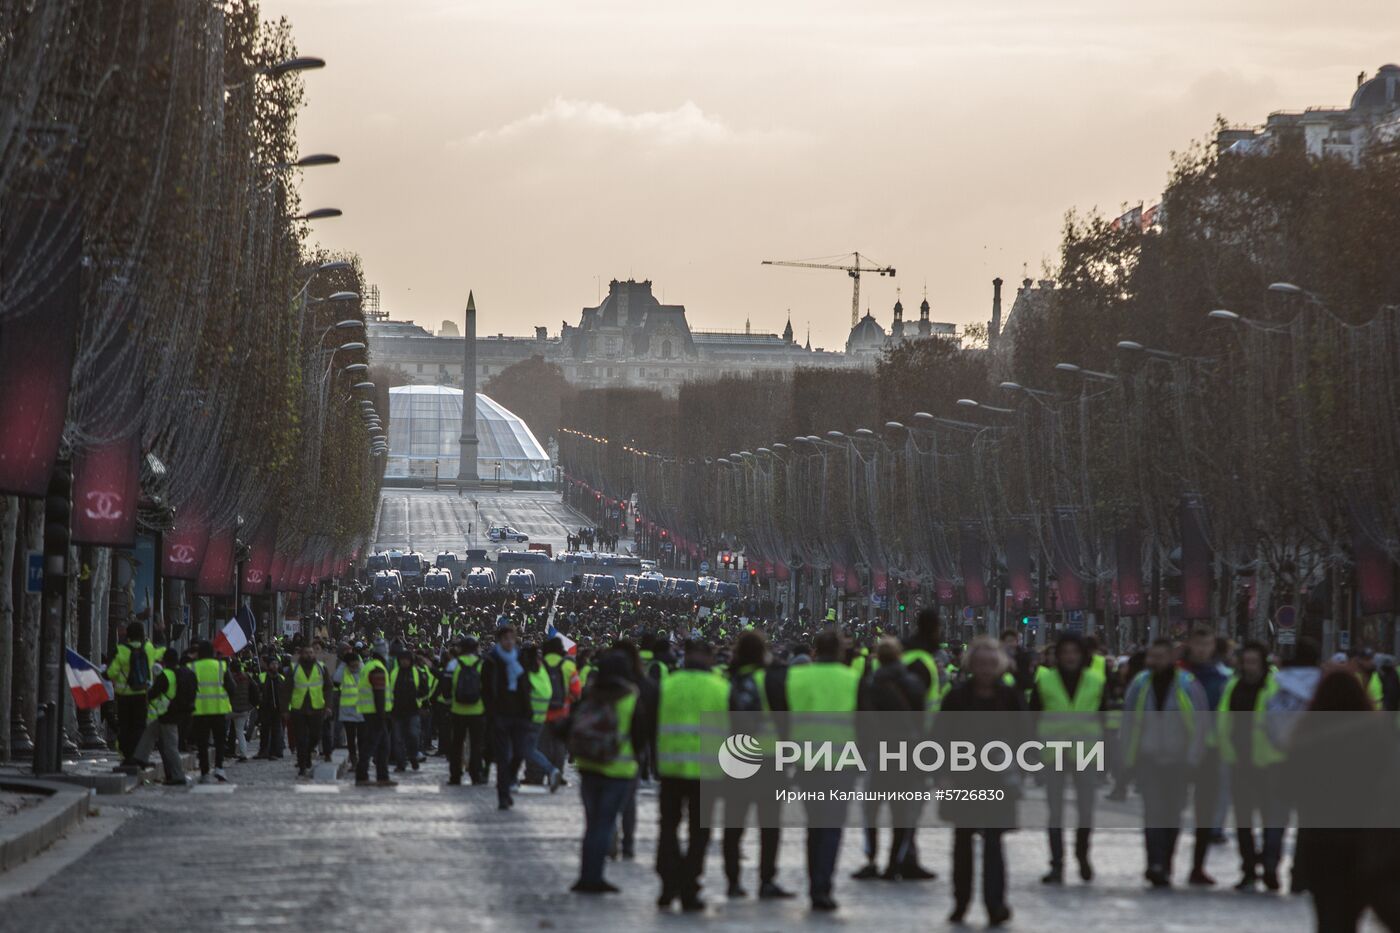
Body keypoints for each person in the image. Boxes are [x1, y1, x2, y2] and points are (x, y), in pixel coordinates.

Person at [1287, 669, 1400, 932]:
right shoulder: (1378, 732)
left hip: (1320, 843)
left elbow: (1289, 786)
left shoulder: (1307, 732)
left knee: (1330, 919)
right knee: (1358, 910)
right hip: (1365, 842)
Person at [935, 636, 1022, 927]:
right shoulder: (957, 697)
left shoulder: (1010, 698)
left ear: (999, 666)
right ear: (971, 664)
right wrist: (943, 775)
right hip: (963, 779)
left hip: (998, 780)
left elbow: (1025, 736)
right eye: (980, 663)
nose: (985, 669)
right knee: (962, 841)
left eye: (990, 663)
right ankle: (961, 902)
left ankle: (995, 903)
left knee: (995, 843)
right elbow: (940, 739)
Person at [781, 627, 861, 912]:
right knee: (831, 827)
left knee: (814, 825)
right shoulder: (852, 679)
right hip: (842, 764)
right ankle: (822, 885)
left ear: (814, 651)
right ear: (840, 651)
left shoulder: (797, 677)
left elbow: (784, 716)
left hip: (807, 763)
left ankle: (815, 880)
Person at [1120, 637, 1208, 887]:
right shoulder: (1140, 684)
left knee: (1173, 814)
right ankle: (1155, 863)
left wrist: (1193, 758)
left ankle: (1166, 862)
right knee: (1153, 813)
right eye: (1151, 657)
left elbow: (1201, 724)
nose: (1153, 661)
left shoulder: (1187, 684)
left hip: (1178, 761)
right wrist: (1127, 758)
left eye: (1159, 657)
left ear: (1171, 657)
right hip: (1148, 759)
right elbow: (1128, 723)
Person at [653, 639, 730, 912]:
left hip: (671, 768)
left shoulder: (668, 684)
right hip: (706, 771)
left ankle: (667, 882)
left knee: (668, 826)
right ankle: (689, 886)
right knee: (699, 833)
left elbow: (652, 721)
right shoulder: (720, 688)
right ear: (709, 658)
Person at [571, 650, 650, 894]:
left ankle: (586, 874)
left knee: (592, 823)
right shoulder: (630, 697)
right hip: (618, 769)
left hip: (589, 766)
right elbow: (639, 735)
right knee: (605, 824)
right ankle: (595, 877)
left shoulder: (591, 694)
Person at [1029, 632, 1106, 884]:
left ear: (1082, 655)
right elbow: (1033, 717)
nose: (1070, 657)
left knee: (1086, 809)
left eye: (1074, 652)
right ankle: (1057, 863)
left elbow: (1105, 719)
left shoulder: (1096, 680)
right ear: (1057, 656)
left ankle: (1083, 856)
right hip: (1054, 752)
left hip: (1086, 752)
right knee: (1055, 811)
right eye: (1065, 652)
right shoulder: (1045, 680)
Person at [722, 630, 793, 899]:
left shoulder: (729, 679)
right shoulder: (769, 680)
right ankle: (766, 880)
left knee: (734, 825)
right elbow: (785, 721)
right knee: (770, 825)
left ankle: (732, 881)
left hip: (735, 760)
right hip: (768, 761)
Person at [1217, 640, 1286, 891]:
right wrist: (1226, 750)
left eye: (1254, 662)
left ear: (1264, 662)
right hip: (1240, 761)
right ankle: (1248, 868)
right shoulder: (1233, 685)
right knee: (1243, 820)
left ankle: (1270, 867)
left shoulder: (1275, 686)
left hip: (1269, 762)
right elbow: (1223, 719)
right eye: (1245, 662)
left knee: (1271, 819)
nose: (1249, 667)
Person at [1182, 627, 1231, 884]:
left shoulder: (1224, 677)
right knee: (1169, 809)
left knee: (1205, 809)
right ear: (1190, 644)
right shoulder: (1178, 674)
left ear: (1214, 646)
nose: (1202, 649)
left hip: (1211, 750)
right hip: (1177, 750)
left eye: (1207, 644)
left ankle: (1198, 866)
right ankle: (1161, 862)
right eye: (1198, 644)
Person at [482, 624, 540, 809]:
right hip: (500, 714)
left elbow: (526, 683)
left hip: (519, 713)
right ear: (499, 641)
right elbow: (486, 690)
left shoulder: (519, 658)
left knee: (519, 752)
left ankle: (506, 782)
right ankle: (503, 795)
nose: (509, 642)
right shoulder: (491, 661)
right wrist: (491, 714)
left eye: (511, 639)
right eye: (505, 639)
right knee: (502, 758)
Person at [131, 648, 193, 786]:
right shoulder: (180, 672)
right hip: (172, 712)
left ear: (165, 660)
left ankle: (178, 776)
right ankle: (140, 757)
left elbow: (154, 693)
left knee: (170, 747)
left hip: (168, 713)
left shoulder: (166, 674)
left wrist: (147, 692)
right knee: (150, 732)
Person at [108, 621, 162, 770]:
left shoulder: (121, 650)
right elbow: (161, 652)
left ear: (128, 635)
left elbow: (111, 672)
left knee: (125, 726)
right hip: (142, 693)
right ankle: (139, 756)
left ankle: (127, 757)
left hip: (124, 695)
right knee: (139, 726)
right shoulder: (149, 649)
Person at [189, 640, 235, 784]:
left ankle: (204, 772)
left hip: (200, 711)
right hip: (219, 710)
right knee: (220, 741)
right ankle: (219, 767)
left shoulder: (193, 667)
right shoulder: (221, 666)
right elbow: (232, 687)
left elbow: (188, 689)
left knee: (202, 743)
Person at [355, 640, 396, 787]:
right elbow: (379, 694)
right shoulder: (378, 669)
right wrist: (382, 715)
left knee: (383, 745)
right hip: (376, 713)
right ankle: (362, 775)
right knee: (372, 745)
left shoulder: (369, 666)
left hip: (369, 711)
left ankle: (382, 776)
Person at [446, 638, 487, 785]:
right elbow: (487, 688)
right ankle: (476, 775)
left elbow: (446, 689)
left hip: (457, 710)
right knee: (476, 745)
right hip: (477, 710)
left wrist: (449, 704)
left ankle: (455, 775)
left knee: (456, 744)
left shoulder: (453, 664)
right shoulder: (481, 664)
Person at [289, 644, 329, 779]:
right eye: (306, 653)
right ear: (301, 654)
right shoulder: (294, 668)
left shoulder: (321, 667)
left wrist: (328, 705)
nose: (309, 655)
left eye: (311, 653)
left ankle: (307, 753)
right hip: (298, 708)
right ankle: (302, 766)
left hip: (316, 707)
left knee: (315, 736)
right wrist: (284, 708)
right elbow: (286, 688)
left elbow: (328, 687)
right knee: (300, 739)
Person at [390, 647, 423, 772]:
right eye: (402, 660)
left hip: (413, 710)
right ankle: (400, 763)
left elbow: (424, 688)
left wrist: (420, 701)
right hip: (397, 711)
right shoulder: (394, 673)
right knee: (398, 739)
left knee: (413, 735)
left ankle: (413, 756)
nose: (404, 662)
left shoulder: (416, 672)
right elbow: (389, 691)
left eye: (407, 660)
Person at [254, 652, 286, 760]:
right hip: (265, 708)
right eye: (273, 664)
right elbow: (257, 691)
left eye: (276, 664)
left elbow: (285, 693)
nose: (275, 666)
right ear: (268, 666)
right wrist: (259, 701)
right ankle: (263, 751)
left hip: (277, 708)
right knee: (264, 731)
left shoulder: (281, 678)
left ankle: (275, 752)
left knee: (276, 731)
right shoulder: (262, 677)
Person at [336, 648, 364, 768]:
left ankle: (362, 759)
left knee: (362, 739)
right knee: (351, 739)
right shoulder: (344, 671)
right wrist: (343, 665)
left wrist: (360, 663)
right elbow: (336, 680)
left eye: (356, 663)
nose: (354, 666)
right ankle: (354, 761)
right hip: (347, 712)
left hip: (362, 710)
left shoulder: (363, 671)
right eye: (351, 664)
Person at [226, 659, 257, 763]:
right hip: (244, 708)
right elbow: (255, 688)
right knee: (240, 732)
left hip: (231, 708)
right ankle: (243, 754)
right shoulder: (247, 677)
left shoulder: (231, 678)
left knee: (219, 725)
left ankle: (222, 748)